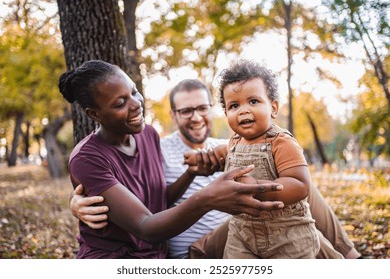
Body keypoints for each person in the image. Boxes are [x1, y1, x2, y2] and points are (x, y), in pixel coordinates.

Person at [70, 77, 361, 259]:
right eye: (186, 111)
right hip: (196, 251)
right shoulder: (157, 145)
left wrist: (194, 173)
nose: (196, 118)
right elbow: (134, 198)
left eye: (202, 108)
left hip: (241, 235)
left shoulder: (235, 143)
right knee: (291, 200)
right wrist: (78, 201)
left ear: (214, 108)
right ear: (173, 115)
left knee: (295, 193)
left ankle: (352, 260)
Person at [59, 60, 284, 259]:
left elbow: (158, 201)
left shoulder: (147, 135)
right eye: (120, 103)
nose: (136, 104)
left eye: (134, 92)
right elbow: (145, 226)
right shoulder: (87, 158)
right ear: (95, 114)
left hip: (156, 256)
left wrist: (191, 174)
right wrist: (208, 198)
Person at [185, 60, 320, 258]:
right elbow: (223, 153)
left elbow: (300, 184)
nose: (243, 110)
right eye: (234, 105)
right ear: (226, 113)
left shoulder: (281, 142)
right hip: (242, 235)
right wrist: (201, 157)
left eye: (253, 101)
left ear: (273, 108)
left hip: (288, 235)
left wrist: (258, 187)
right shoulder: (234, 143)